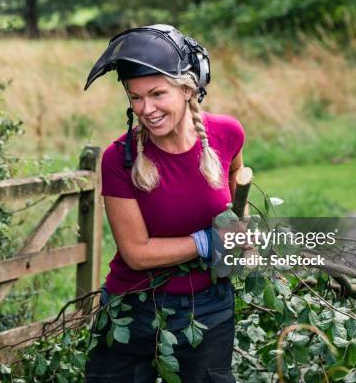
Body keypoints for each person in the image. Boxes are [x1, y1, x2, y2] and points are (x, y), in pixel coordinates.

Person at [82, 24, 245, 382]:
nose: (146, 108)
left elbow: (236, 192)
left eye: (157, 94)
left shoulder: (228, 133)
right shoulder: (119, 159)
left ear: (188, 89)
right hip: (133, 309)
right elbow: (137, 253)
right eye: (135, 97)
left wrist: (239, 236)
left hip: (208, 308)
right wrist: (205, 242)